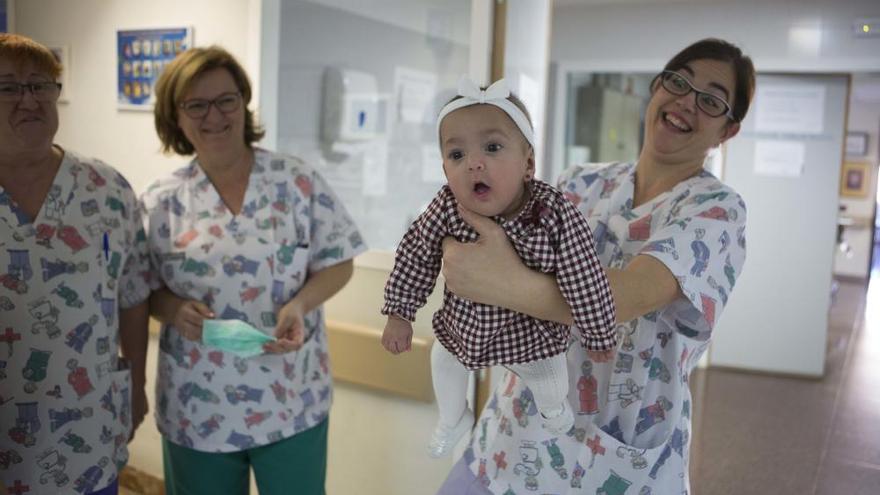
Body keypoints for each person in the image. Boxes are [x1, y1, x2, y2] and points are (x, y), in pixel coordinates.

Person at [435, 38, 755, 493]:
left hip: (611, 460)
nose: (687, 101)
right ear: (657, 88)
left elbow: (621, 299)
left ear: (727, 131)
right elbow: (497, 243)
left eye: (711, 99)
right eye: (678, 81)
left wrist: (501, 281)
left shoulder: (717, 211)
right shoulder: (580, 181)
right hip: (510, 438)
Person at [141, 45, 365, 495]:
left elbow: (339, 261)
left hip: (292, 397)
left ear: (243, 102)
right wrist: (172, 309)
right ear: (175, 117)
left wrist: (301, 303)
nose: (214, 116)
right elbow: (141, 290)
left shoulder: (295, 181)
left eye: (226, 100)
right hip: (197, 404)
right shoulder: (162, 201)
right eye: (196, 105)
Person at [381, 78, 617, 458]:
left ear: (528, 164)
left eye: (492, 147)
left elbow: (584, 277)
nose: (474, 162)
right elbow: (414, 255)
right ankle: (453, 417)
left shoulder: (553, 213)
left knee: (549, 376)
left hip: (532, 334)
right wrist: (399, 313)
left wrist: (598, 331)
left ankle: (554, 407)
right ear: (444, 169)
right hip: (465, 326)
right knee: (442, 361)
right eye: (457, 155)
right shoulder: (446, 208)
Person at [0, 33, 151, 495]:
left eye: (41, 85)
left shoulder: (105, 188)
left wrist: (137, 383)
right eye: (7, 87)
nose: (29, 100)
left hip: (87, 436)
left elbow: (133, 294)